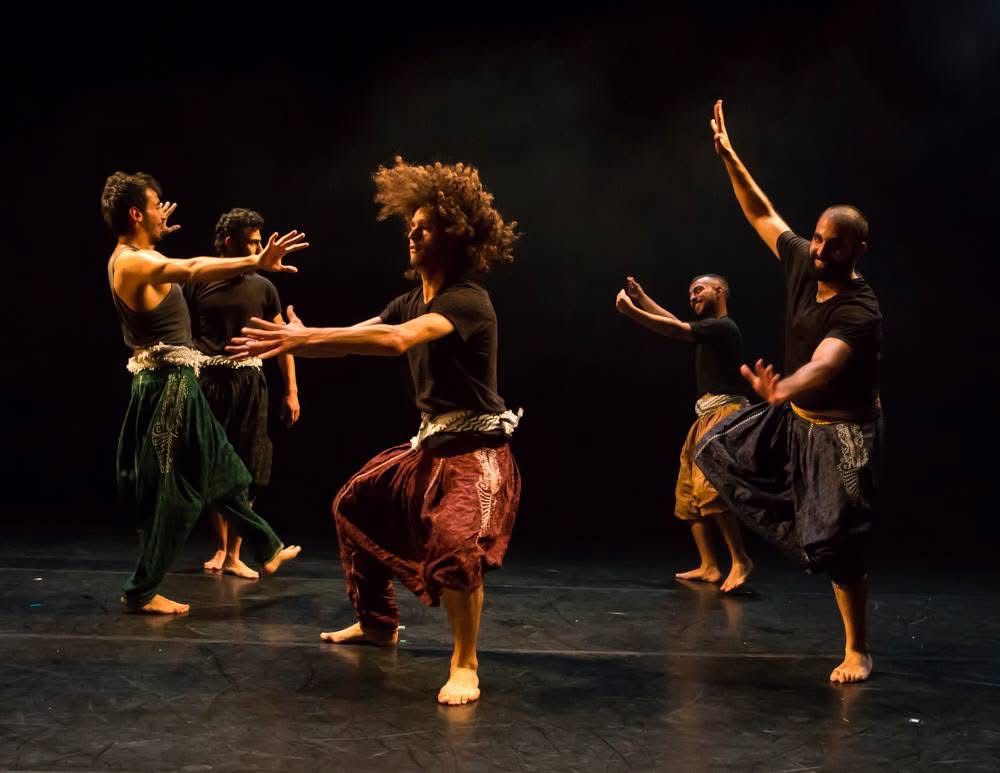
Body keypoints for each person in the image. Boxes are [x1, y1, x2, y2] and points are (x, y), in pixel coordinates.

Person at [228, 158, 521, 704]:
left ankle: (465, 664)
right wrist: (301, 339)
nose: (411, 232)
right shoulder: (409, 298)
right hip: (431, 445)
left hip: (475, 452)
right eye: (409, 224)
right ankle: (379, 623)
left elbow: (396, 342)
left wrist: (306, 338)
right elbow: (357, 334)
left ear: (455, 235)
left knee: (457, 547)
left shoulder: (468, 299)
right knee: (352, 505)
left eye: (424, 226)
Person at [696, 101, 882, 683]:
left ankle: (857, 649)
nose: (820, 251)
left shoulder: (860, 309)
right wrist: (730, 157)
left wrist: (786, 386)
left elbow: (825, 365)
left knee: (840, 547)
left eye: (834, 246)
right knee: (714, 447)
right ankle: (802, 532)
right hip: (792, 413)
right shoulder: (804, 259)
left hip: (843, 431)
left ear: (857, 251)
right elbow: (762, 212)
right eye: (820, 239)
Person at [102, 171, 303, 614]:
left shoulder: (138, 255)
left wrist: (153, 237)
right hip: (168, 386)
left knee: (227, 470)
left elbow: (164, 263)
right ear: (136, 213)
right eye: (156, 207)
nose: (163, 212)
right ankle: (143, 590)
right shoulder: (134, 262)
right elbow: (192, 268)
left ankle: (266, 548)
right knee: (174, 492)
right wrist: (256, 262)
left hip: (179, 381)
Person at [616, 273, 752, 592]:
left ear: (720, 290)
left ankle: (741, 559)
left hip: (725, 415)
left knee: (710, 486)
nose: (692, 296)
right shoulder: (709, 332)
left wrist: (631, 311)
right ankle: (709, 566)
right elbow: (676, 322)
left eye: (699, 290)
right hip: (705, 416)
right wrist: (642, 298)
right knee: (689, 490)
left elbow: (675, 329)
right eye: (690, 292)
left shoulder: (724, 327)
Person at [186, 208, 302, 579]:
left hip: (250, 384)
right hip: (208, 382)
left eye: (258, 242)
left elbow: (284, 340)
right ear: (228, 242)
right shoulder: (199, 281)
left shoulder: (264, 287)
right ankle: (221, 548)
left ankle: (236, 553)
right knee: (212, 466)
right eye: (251, 242)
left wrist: (292, 391)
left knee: (248, 466)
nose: (258, 249)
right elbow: (181, 331)